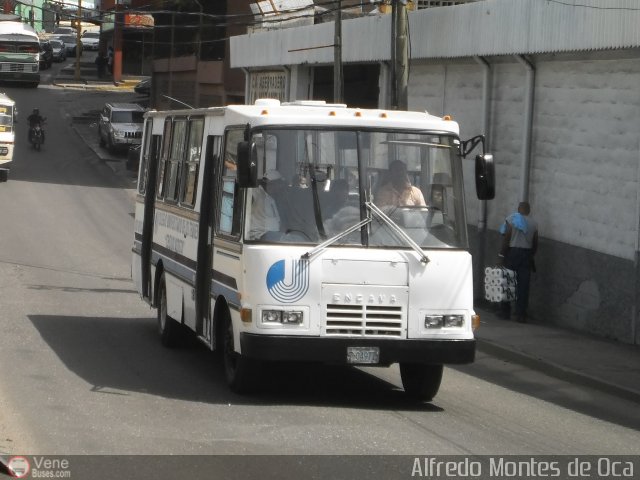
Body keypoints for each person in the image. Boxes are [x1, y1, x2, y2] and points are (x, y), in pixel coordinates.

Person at [498, 201, 539, 323]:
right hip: (526, 254)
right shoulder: (534, 224)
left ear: (518, 209)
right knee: (523, 285)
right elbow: (535, 242)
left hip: (512, 253)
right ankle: (520, 314)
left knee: (507, 282)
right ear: (529, 210)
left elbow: (507, 237)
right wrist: (531, 255)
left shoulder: (511, 219)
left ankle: (505, 312)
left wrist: (501, 254)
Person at [249, 169, 286, 240]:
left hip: (273, 236)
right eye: (279, 184)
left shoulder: (272, 198)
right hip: (259, 236)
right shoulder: (257, 193)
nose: (280, 188)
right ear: (272, 184)